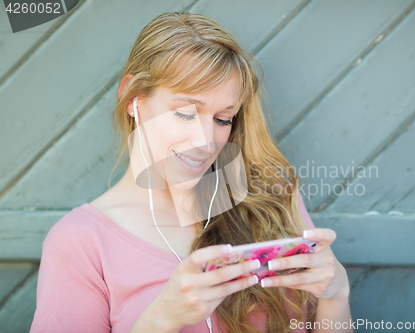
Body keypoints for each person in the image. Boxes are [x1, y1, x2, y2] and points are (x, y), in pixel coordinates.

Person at [30, 12, 353, 333]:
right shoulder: (80, 242)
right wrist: (161, 319)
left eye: (223, 119)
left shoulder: (271, 199)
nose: (204, 141)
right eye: (186, 113)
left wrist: (336, 296)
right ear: (133, 98)